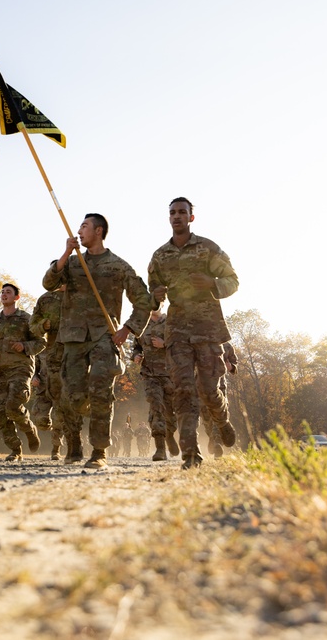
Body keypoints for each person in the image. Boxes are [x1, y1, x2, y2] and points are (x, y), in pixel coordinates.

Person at [42, 213, 154, 470]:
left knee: (102, 391)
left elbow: (143, 301)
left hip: (104, 336)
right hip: (72, 337)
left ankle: (99, 450)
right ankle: (74, 444)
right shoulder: (71, 263)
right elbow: (49, 283)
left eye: (84, 226)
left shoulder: (118, 266)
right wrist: (66, 252)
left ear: (99, 231)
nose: (79, 230)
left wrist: (128, 328)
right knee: (72, 395)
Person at [148, 197, 239, 469]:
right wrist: (156, 296)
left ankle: (222, 421)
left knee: (209, 390)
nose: (177, 216)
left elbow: (233, 281)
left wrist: (213, 283)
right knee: (184, 391)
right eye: (173, 213)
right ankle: (191, 454)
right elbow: (151, 296)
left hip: (208, 328)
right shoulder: (160, 256)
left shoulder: (208, 248)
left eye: (182, 212)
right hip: (176, 330)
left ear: (191, 217)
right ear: (169, 218)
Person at [0, 283, 46, 461]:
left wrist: (24, 346)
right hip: (2, 371)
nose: (4, 294)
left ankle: (29, 430)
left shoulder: (26, 319)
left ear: (16, 297)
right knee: (1, 413)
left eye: (8, 292)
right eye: (2, 292)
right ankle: (15, 450)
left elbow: (41, 342)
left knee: (13, 406)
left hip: (21, 369)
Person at [131, 308, 181, 461]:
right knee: (155, 406)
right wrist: (136, 356)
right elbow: (136, 346)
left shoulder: (171, 322)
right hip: (150, 374)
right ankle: (160, 448)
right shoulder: (142, 324)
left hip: (170, 374)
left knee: (170, 412)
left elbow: (182, 346)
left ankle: (170, 434)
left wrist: (165, 344)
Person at [30, 285, 69, 460]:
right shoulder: (43, 348)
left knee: (59, 416)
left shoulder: (67, 350)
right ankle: (49, 429)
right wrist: (34, 376)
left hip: (60, 387)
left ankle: (56, 449)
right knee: (40, 420)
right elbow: (34, 365)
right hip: (42, 389)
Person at [202, 341, 238, 458]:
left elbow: (234, 364)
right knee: (206, 416)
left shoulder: (226, 345)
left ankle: (218, 443)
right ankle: (212, 437)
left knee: (219, 413)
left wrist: (231, 367)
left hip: (219, 386)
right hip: (201, 385)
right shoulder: (197, 341)